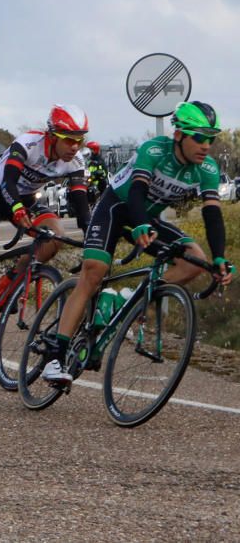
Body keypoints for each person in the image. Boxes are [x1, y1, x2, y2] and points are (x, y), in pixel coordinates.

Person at [42, 101, 234, 384]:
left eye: (211, 138)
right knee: (93, 272)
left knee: (194, 259)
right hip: (116, 208)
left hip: (148, 217)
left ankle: (129, 299)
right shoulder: (154, 150)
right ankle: (55, 358)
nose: (206, 145)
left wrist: (219, 256)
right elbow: (137, 190)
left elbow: (212, 213)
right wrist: (140, 222)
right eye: (199, 137)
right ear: (179, 134)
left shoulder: (206, 168)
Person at [0, 104, 92, 362]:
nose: (75, 147)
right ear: (52, 135)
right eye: (69, 140)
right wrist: (17, 209)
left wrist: (91, 236)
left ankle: (10, 280)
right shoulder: (28, 143)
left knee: (54, 237)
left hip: (28, 198)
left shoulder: (76, 162)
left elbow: (80, 205)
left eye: (80, 140)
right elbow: (9, 179)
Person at [84, 140, 108, 204]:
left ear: (95, 150)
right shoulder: (87, 160)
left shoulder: (99, 161)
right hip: (88, 182)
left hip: (97, 183)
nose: (88, 151)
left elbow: (104, 173)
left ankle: (101, 204)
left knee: (101, 186)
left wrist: (96, 173)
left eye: (90, 149)